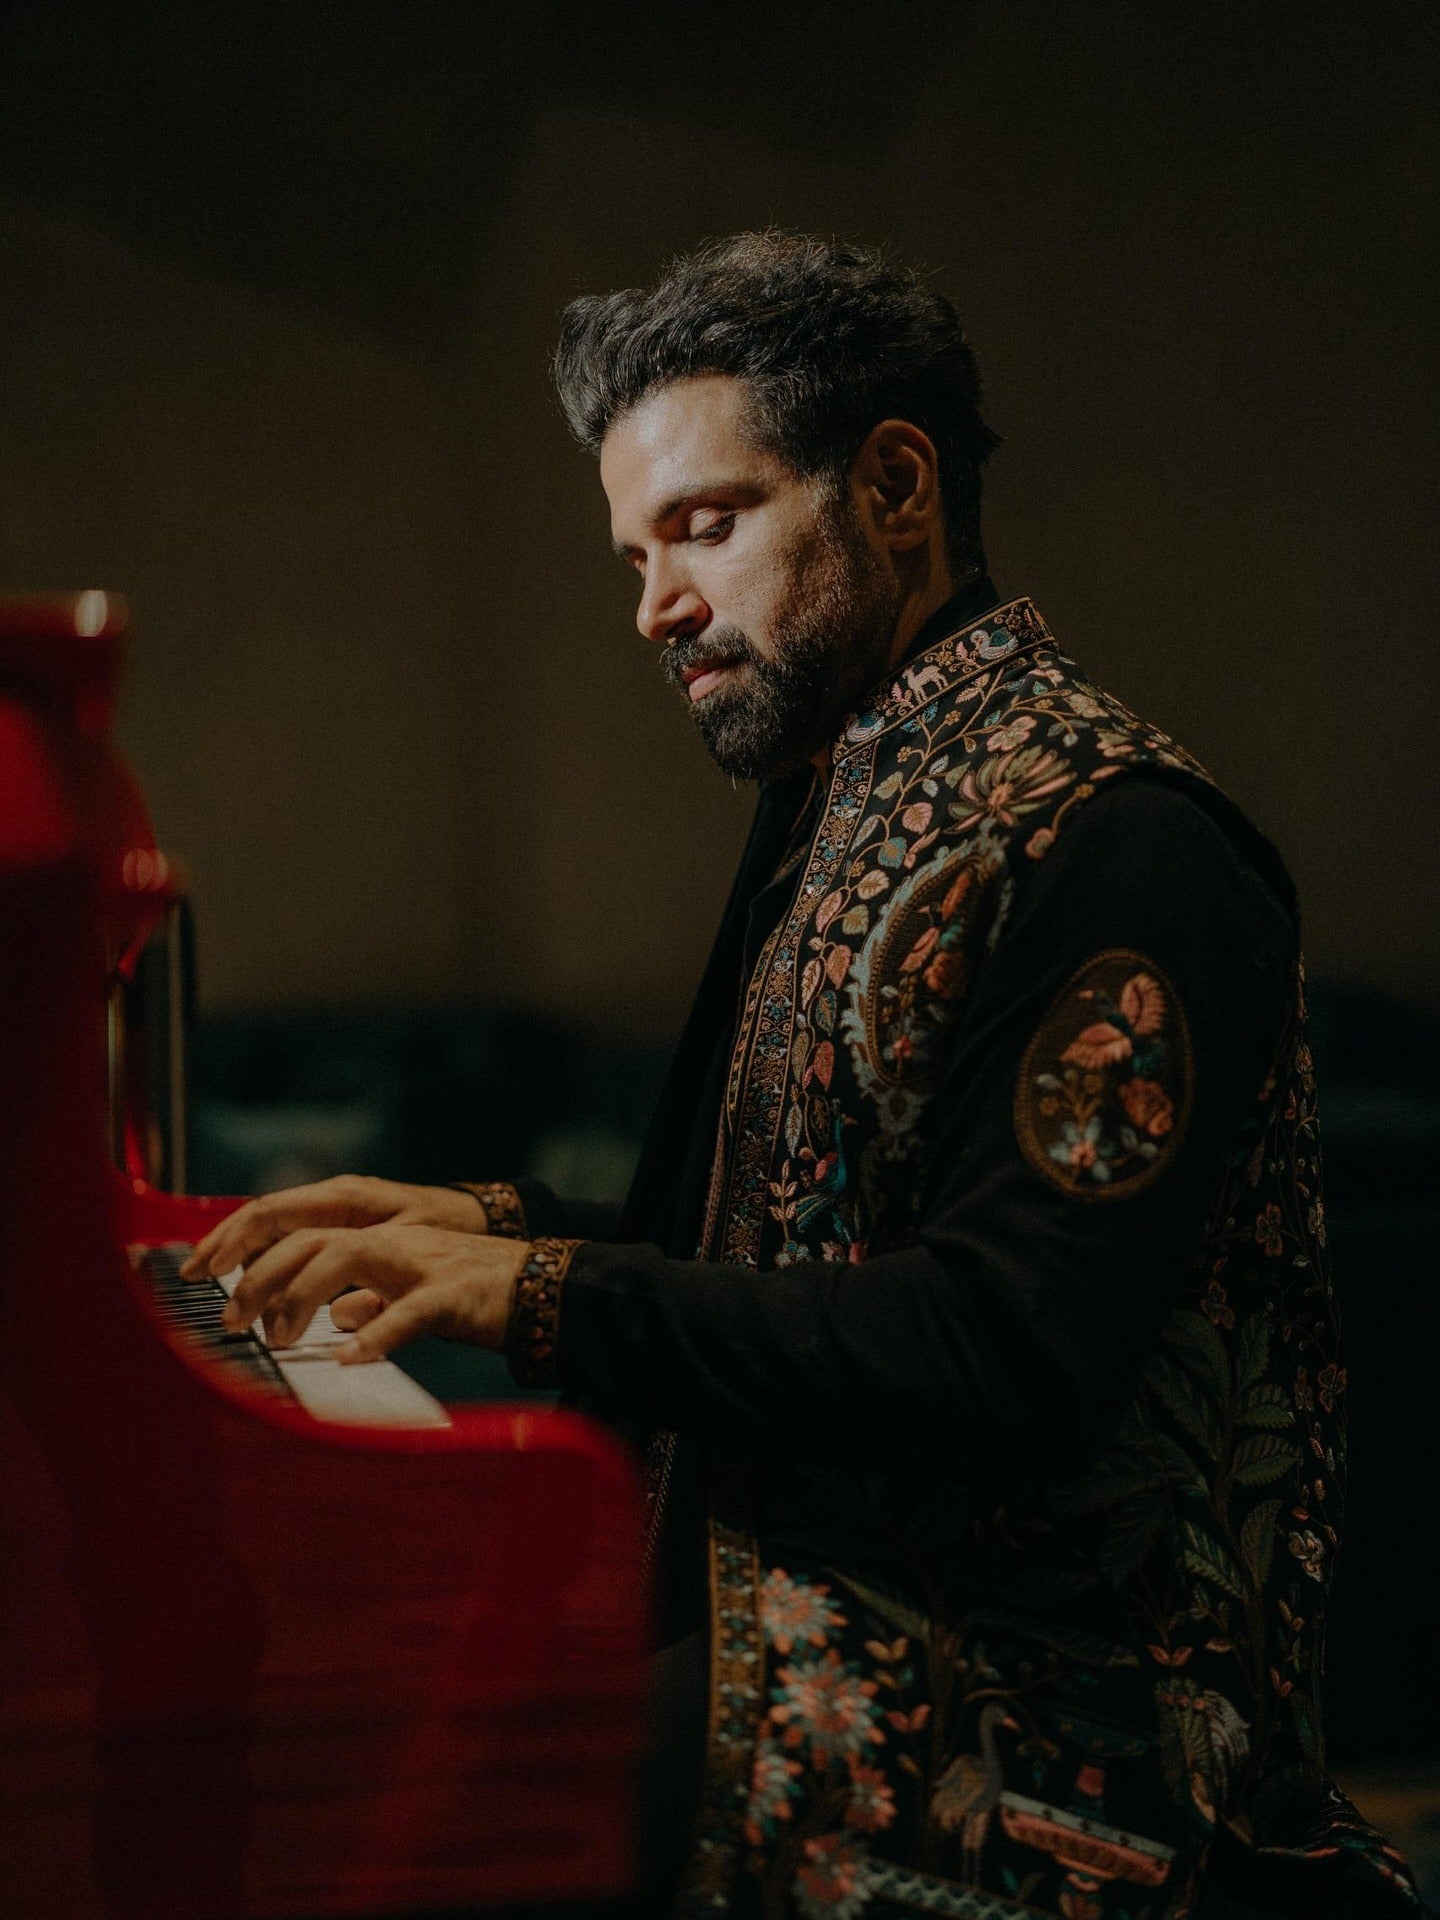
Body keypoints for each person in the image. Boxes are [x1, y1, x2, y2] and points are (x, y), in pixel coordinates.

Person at [184, 234, 1421, 1919]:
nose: (654, 604)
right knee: (346, 1718)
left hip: (1070, 1714)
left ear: (896, 487)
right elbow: (766, 1256)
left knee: (433, 1804)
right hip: (816, 1604)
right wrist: (482, 1227)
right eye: (636, 554)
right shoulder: (835, 796)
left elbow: (1004, 1351)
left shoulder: (1123, 837)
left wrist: (536, 1292)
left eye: (706, 525)